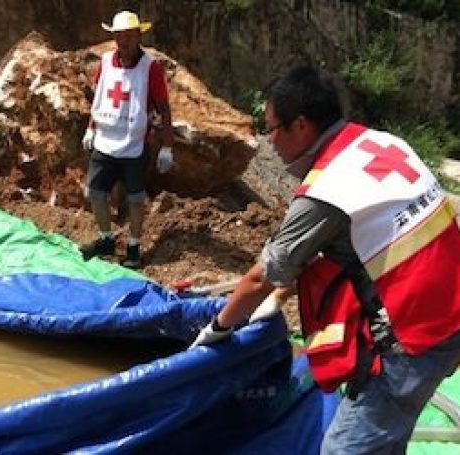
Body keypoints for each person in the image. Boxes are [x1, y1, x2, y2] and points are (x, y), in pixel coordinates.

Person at [191, 65, 460, 453]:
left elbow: (260, 277)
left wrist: (215, 331)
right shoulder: (380, 143)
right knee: (385, 440)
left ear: (301, 126)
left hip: (414, 335)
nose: (270, 141)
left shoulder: (329, 188)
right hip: (446, 312)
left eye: (272, 129)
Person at [80, 10, 174, 269]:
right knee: (95, 192)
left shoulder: (150, 68)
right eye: (119, 36)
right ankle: (106, 239)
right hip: (105, 142)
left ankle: (133, 246)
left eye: (129, 36)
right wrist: (91, 127)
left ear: (138, 36)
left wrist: (167, 146)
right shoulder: (107, 62)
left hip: (133, 146)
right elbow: (99, 97)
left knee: (135, 199)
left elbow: (164, 107)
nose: (124, 42)